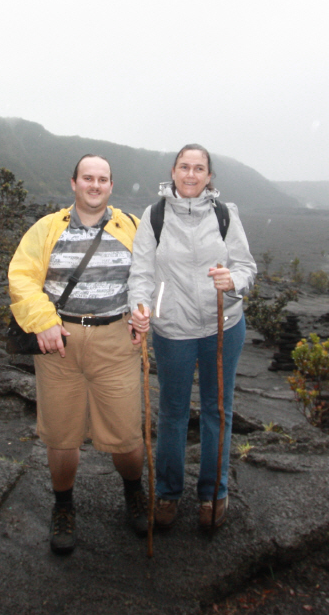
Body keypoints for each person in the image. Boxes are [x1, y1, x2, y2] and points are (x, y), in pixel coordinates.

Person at [7, 154, 145, 555]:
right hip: (59, 341)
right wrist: (43, 321)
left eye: (102, 179)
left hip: (116, 341)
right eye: (88, 178)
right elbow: (22, 276)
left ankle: (134, 492)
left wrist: (143, 313)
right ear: (74, 183)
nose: (95, 185)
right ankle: (63, 506)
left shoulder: (132, 227)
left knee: (126, 434)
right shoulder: (47, 228)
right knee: (61, 435)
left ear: (111, 186)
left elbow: (149, 277)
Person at [128, 144, 257, 530]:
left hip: (223, 325)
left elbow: (246, 267)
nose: (190, 174)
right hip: (173, 330)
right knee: (172, 413)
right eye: (184, 167)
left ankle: (213, 492)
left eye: (199, 168)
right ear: (173, 171)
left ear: (209, 176)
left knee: (218, 410)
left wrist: (233, 280)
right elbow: (141, 272)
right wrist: (140, 307)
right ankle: (168, 493)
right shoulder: (154, 216)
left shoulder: (224, 215)